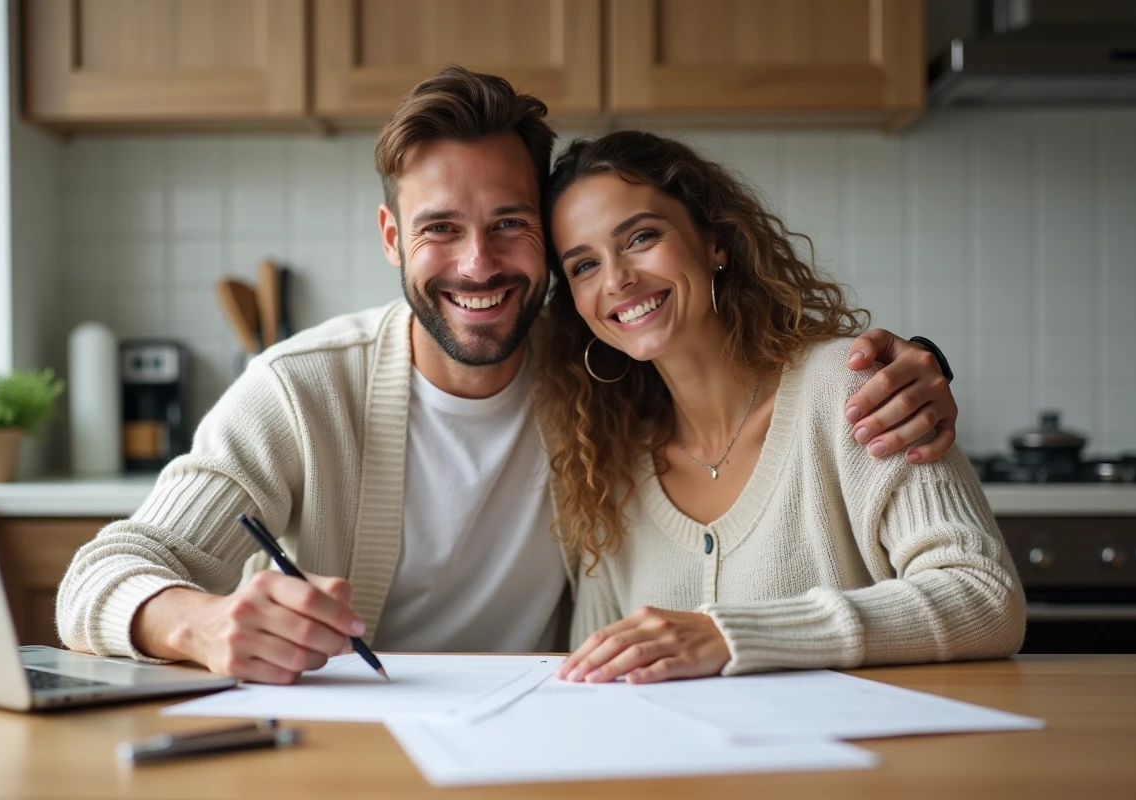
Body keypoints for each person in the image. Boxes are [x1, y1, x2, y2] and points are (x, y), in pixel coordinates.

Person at [56, 67, 961, 685]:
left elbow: (733, 370)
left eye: (511, 223)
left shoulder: (607, 373)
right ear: (390, 239)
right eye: (441, 227)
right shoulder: (302, 391)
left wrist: (913, 364)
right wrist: (197, 625)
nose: (478, 264)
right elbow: (103, 572)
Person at [538, 130, 1025, 685]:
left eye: (642, 237)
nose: (617, 279)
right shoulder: (609, 466)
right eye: (583, 266)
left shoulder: (850, 390)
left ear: (715, 241)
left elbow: (985, 597)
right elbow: (593, 674)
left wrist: (733, 635)